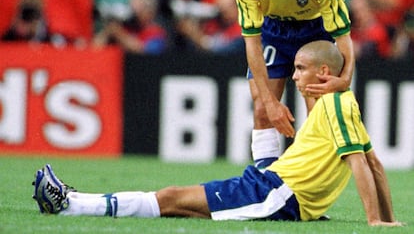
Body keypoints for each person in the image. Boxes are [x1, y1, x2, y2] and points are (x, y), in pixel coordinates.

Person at [32, 40, 403, 227]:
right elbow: (374, 164)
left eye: (301, 69)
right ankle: (74, 203)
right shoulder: (342, 104)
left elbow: (359, 162)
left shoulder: (336, 105)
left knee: (174, 197)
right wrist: (387, 220)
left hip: (276, 194)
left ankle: (70, 205)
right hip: (271, 183)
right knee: (181, 205)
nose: (293, 76)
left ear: (324, 72)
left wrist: (374, 222)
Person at [234, 0, 354, 140]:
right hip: (273, 31)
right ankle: (265, 172)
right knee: (263, 109)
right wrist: (271, 104)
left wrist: (344, 80)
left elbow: (344, 38)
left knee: (318, 109)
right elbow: (252, 43)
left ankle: (313, 171)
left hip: (314, 31)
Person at [92, 0, 167, 54]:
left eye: (138, 10)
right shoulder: (124, 27)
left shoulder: (156, 32)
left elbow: (144, 51)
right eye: (131, 8)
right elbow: (95, 48)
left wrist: (119, 33)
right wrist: (108, 31)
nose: (134, 14)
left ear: (150, 12)